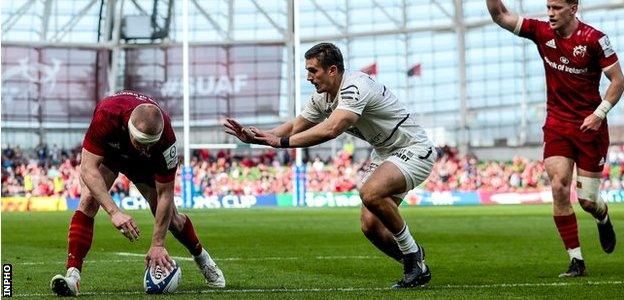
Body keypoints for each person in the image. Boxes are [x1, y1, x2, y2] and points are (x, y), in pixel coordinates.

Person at [223, 43, 437, 288]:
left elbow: (332, 128)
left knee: (370, 192)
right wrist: (259, 137)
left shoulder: (356, 86)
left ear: (332, 70)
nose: (308, 77)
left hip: (413, 148)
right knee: (370, 226)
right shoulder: (322, 98)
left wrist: (280, 143)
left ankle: (412, 257)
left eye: (313, 71)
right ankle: (416, 262)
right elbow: (294, 127)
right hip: (385, 153)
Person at [487, 0, 623, 277]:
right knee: (559, 187)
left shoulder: (595, 39)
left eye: (557, 7)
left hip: (590, 127)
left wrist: (599, 113)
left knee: (587, 201)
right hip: (557, 124)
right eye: (548, 7)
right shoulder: (541, 32)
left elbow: (618, 80)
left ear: (573, 8)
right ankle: (576, 261)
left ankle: (602, 214)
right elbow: (500, 15)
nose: (550, 13)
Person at [50, 91, 225, 296]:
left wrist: (157, 244)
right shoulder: (107, 114)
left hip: (145, 166)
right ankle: (73, 276)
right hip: (113, 153)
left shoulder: (167, 141)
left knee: (174, 221)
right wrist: (115, 212)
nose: (145, 148)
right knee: (88, 200)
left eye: (150, 143)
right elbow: (88, 169)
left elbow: (165, 194)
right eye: (141, 142)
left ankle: (204, 260)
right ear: (129, 129)